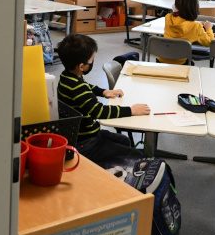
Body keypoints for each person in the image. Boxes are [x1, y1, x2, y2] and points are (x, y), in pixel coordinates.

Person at [56, 34, 150, 165]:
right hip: (86, 143)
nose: (93, 62)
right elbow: (100, 112)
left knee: (124, 141)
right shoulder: (77, 87)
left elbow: (86, 86)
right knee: (137, 155)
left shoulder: (67, 77)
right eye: (91, 61)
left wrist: (103, 92)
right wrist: (131, 110)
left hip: (84, 134)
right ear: (81, 66)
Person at [160, 0, 214, 65]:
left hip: (161, 59)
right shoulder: (196, 26)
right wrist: (208, 28)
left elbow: (181, 23)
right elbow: (209, 43)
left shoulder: (168, 18)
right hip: (180, 62)